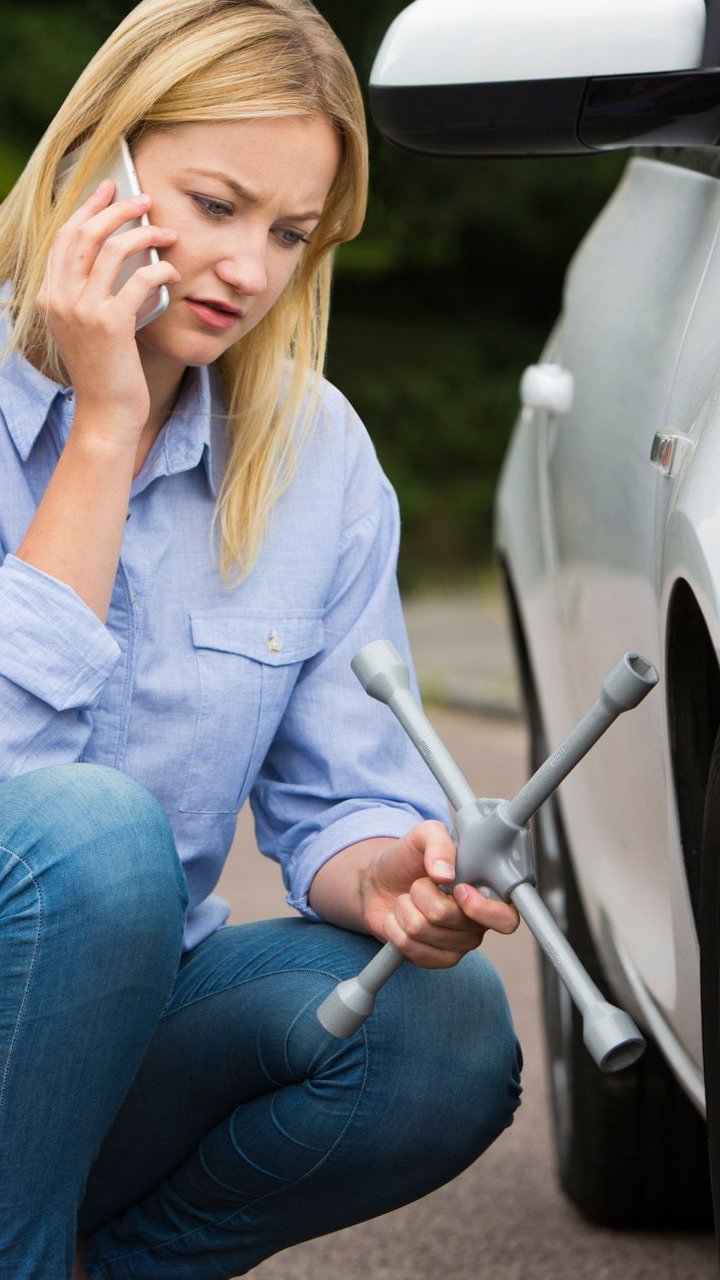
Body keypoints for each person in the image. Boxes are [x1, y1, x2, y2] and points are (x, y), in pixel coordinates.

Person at [0, 1, 523, 1276]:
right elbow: (20, 783)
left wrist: (391, 870)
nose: (249, 268)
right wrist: (107, 431)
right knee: (96, 833)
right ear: (99, 166)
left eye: (290, 232)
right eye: (216, 204)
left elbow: (340, 797)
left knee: (445, 1021)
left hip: (107, 1049)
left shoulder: (316, 453)